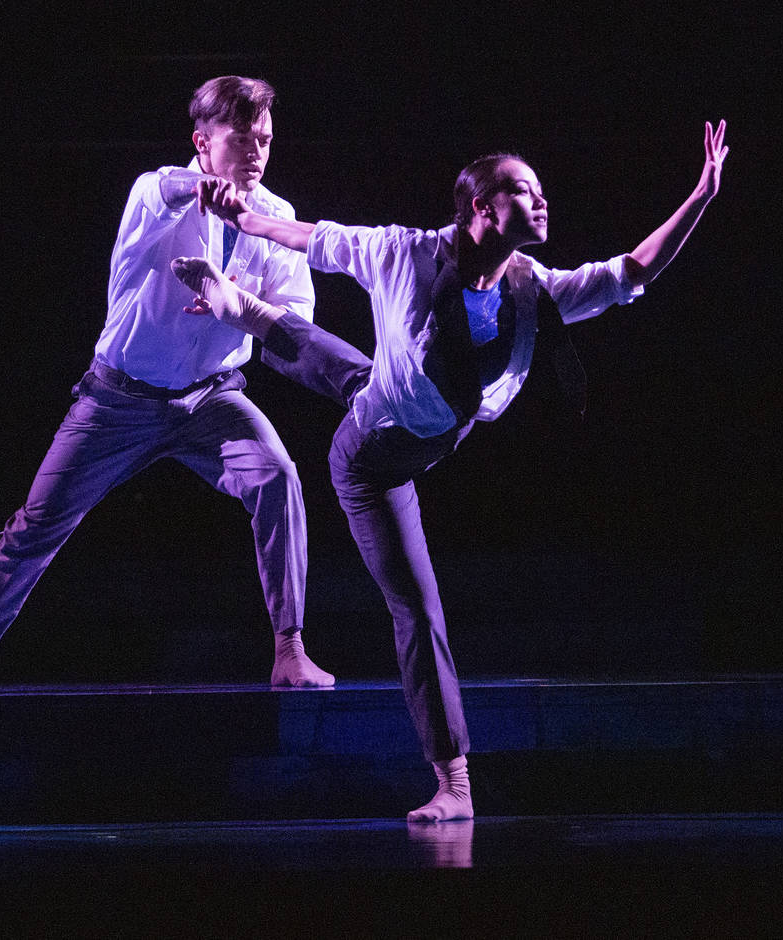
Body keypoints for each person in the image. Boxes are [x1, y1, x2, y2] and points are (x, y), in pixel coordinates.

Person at [172, 121, 729, 820]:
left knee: (361, 377)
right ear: (481, 208)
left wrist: (701, 196)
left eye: (539, 189)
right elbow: (316, 238)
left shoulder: (531, 290)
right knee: (415, 602)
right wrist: (245, 218)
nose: (541, 200)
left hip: (417, 421)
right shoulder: (404, 252)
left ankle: (245, 311)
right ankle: (454, 785)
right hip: (371, 462)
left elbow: (630, 273)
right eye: (522, 190)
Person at [0, 76, 334, 692]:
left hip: (212, 399)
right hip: (119, 399)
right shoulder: (155, 192)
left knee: (278, 477)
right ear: (203, 141)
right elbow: (167, 188)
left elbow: (294, 314)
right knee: (36, 524)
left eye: (265, 141)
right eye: (241, 139)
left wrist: (238, 306)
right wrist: (200, 188)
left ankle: (289, 651)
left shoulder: (276, 216)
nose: (256, 153)